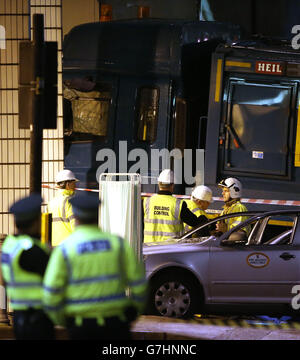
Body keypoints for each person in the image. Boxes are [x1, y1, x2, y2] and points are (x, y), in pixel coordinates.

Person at [43, 192, 147, 340]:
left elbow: (50, 293)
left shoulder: (65, 249)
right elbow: (140, 285)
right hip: (116, 324)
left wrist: (63, 320)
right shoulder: (118, 244)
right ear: (97, 215)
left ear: (76, 217)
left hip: (80, 327)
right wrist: (133, 312)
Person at [1, 194, 54, 340]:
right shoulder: (31, 250)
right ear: (36, 221)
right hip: (37, 316)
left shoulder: (9, 244)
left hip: (19, 313)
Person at [143, 169, 209, 242]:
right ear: (172, 185)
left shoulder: (146, 202)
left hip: (149, 247)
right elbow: (195, 223)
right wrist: (204, 219)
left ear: (158, 183)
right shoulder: (178, 204)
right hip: (171, 249)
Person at [47, 169, 78, 246]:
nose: (75, 186)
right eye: (73, 183)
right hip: (69, 246)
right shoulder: (69, 201)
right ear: (67, 184)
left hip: (53, 245)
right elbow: (76, 227)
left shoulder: (50, 202)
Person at [216, 177, 251, 241]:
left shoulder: (239, 208)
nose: (222, 193)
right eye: (223, 191)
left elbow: (240, 234)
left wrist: (226, 229)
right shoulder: (225, 210)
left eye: (226, 191)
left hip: (235, 248)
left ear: (234, 191)